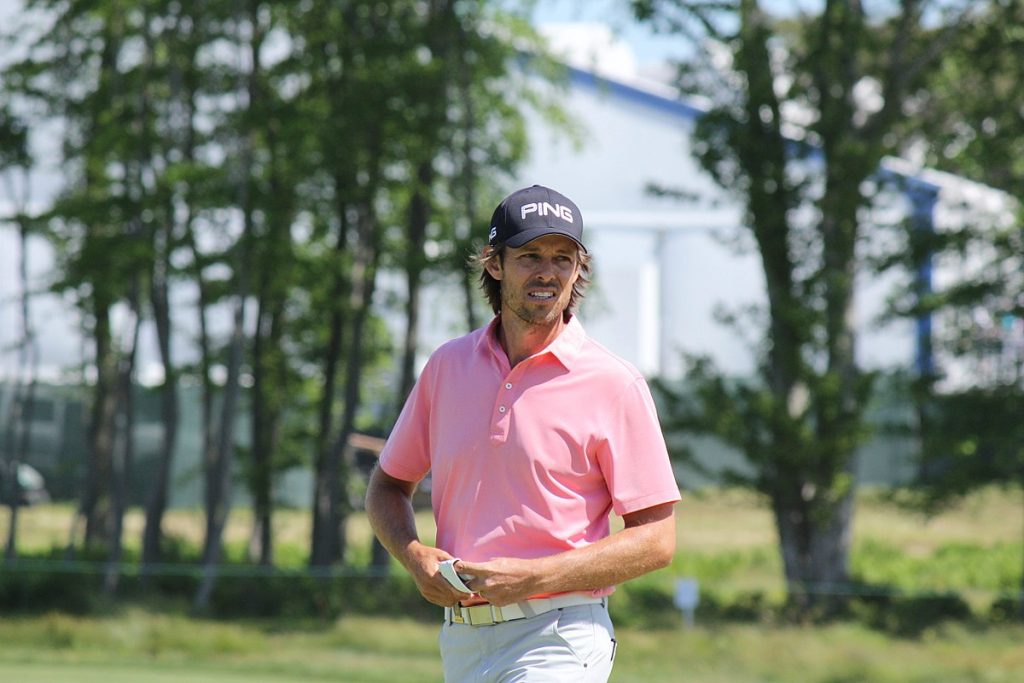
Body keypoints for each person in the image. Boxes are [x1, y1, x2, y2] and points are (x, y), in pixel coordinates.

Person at [365, 184, 681, 682]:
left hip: (560, 634)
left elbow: (657, 539)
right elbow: (387, 486)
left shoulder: (614, 382)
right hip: (462, 640)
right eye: (530, 255)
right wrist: (413, 555)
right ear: (495, 264)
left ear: (578, 270)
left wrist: (535, 577)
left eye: (562, 258)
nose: (547, 272)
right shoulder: (448, 366)